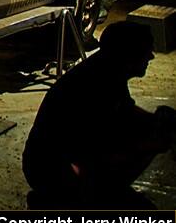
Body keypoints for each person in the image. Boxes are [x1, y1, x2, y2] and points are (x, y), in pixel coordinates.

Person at [23, 21, 175, 209]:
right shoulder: (93, 87)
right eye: (145, 51)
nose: (151, 57)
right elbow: (97, 158)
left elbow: (126, 110)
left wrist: (155, 120)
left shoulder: (108, 70)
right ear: (128, 55)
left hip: (61, 160)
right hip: (50, 170)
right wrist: (151, 146)